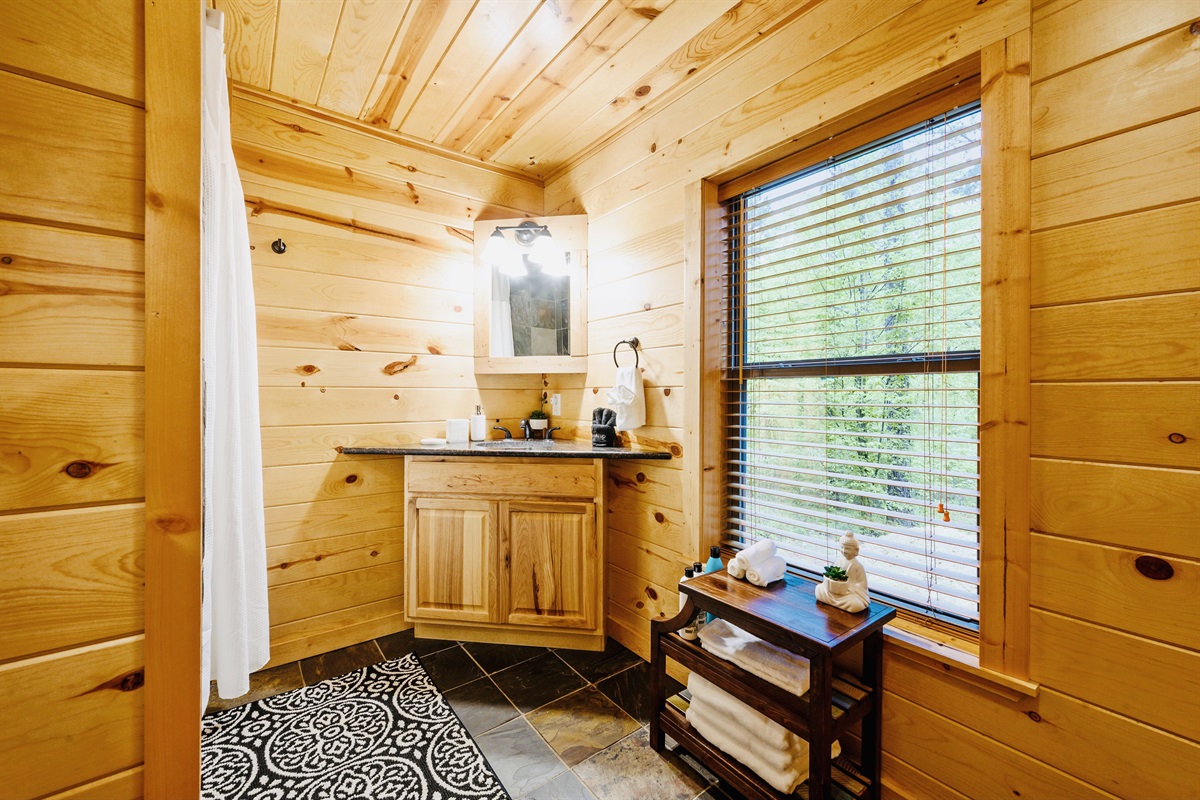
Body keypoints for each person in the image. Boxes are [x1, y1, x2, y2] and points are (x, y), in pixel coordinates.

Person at [815, 531, 869, 612]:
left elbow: (862, 585)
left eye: (847, 548)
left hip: (848, 593)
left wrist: (848, 587)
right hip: (834, 590)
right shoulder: (839, 560)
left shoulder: (857, 566)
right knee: (819, 589)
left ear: (856, 550)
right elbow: (832, 574)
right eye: (842, 548)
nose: (844, 551)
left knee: (855, 604)